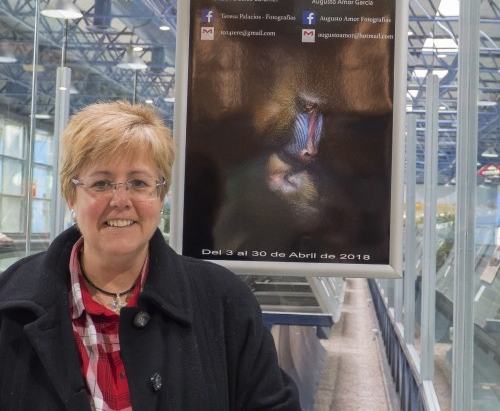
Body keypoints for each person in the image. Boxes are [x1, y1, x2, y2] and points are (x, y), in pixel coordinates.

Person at [0, 101, 301, 411]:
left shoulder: (225, 302)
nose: (120, 200)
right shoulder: (9, 304)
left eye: (139, 183)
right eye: (101, 183)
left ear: (160, 195)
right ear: (69, 194)